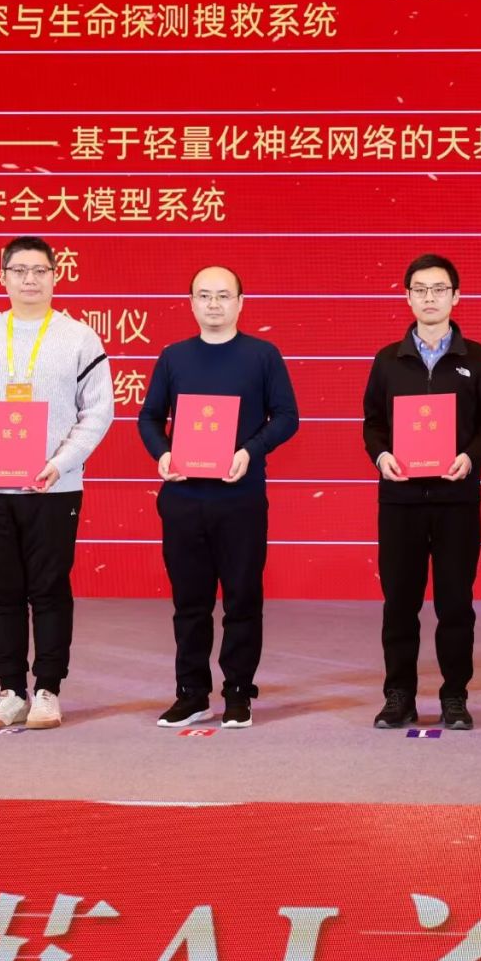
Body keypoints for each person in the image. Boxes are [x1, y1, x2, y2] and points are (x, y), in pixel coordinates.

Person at [0, 235, 114, 730]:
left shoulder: (79, 338)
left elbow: (98, 411)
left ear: (55, 276)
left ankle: (48, 690)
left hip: (53, 488)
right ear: (3, 278)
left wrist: (62, 462)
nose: (30, 279)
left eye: (40, 270)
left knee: (50, 589)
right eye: (19, 271)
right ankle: (10, 691)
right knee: (1, 592)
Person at [138, 265, 299, 729]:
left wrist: (250, 451)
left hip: (239, 498)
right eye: (204, 295)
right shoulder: (174, 357)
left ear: (240, 303)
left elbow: (286, 417)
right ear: (191, 303)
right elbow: (149, 417)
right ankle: (191, 693)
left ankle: (238, 691)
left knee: (242, 599)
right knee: (190, 602)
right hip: (184, 498)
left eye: (223, 296)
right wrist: (163, 454)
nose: (213, 304)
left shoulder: (262, 355)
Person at [361, 253, 481, 730]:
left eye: (439, 289)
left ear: (455, 296)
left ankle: (454, 696)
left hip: (456, 500)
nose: (430, 297)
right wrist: (381, 456)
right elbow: (372, 423)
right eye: (420, 289)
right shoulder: (387, 360)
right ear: (408, 297)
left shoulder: (477, 358)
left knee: (455, 604)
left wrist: (471, 457)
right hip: (400, 501)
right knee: (399, 604)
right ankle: (398, 695)